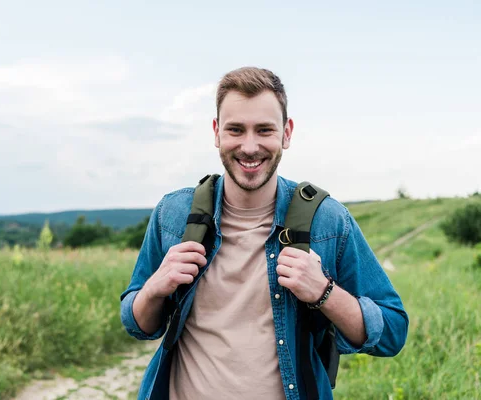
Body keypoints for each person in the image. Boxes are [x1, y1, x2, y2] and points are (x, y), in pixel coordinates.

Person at [120, 67, 409, 400]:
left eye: (264, 130)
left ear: (286, 133)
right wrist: (155, 288)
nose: (249, 145)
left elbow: (392, 333)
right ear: (216, 133)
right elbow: (138, 325)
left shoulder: (329, 222)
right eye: (235, 130)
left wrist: (324, 291)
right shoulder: (173, 214)